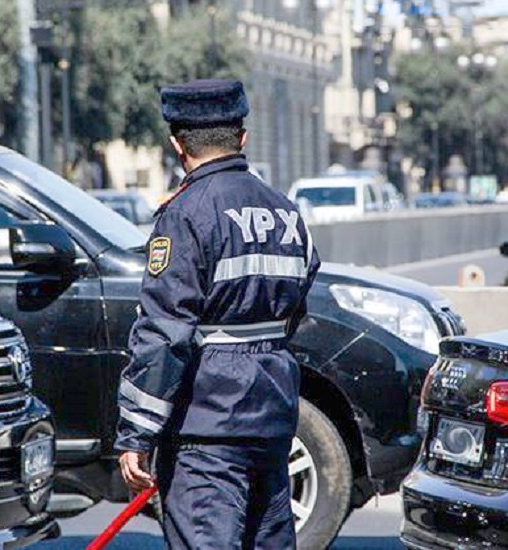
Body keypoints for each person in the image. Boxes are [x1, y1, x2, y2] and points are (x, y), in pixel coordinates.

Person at [115, 79, 320, 549]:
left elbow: (164, 333)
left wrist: (136, 434)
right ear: (242, 137)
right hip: (273, 415)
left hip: (207, 427)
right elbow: (298, 306)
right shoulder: (286, 212)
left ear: (177, 145)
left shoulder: (185, 215)